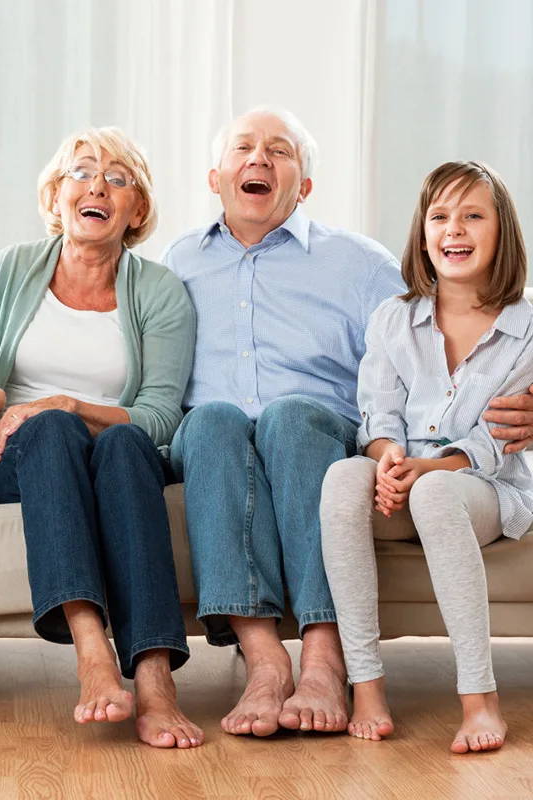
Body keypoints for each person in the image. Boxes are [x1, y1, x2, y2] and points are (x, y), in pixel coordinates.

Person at [164, 107, 406, 737]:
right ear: (214, 177)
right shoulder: (177, 262)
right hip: (209, 435)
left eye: (280, 150)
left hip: (315, 430)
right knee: (214, 419)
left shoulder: (362, 264)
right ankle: (266, 662)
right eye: (243, 147)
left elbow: (423, 357)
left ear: (304, 185)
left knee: (292, 419)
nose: (259, 159)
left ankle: (325, 660)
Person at [0, 127, 203, 749]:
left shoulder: (158, 292)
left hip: (118, 456)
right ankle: (91, 646)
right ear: (56, 193)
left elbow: (159, 417)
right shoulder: (6, 272)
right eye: (82, 172)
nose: (98, 185)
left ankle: (154, 678)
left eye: (119, 179)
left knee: (123, 445)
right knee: (50, 428)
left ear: (137, 209)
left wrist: (67, 401)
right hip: (24, 457)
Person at [320, 161, 532, 753]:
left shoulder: (528, 325)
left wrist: (430, 471)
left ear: (501, 231)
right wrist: (388, 459)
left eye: (472, 216)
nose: (453, 230)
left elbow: (500, 439)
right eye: (439, 216)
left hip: (484, 487)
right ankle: (365, 683)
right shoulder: (394, 316)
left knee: (437, 492)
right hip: (405, 475)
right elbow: (378, 414)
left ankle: (478, 697)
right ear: (421, 232)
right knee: (343, 475)